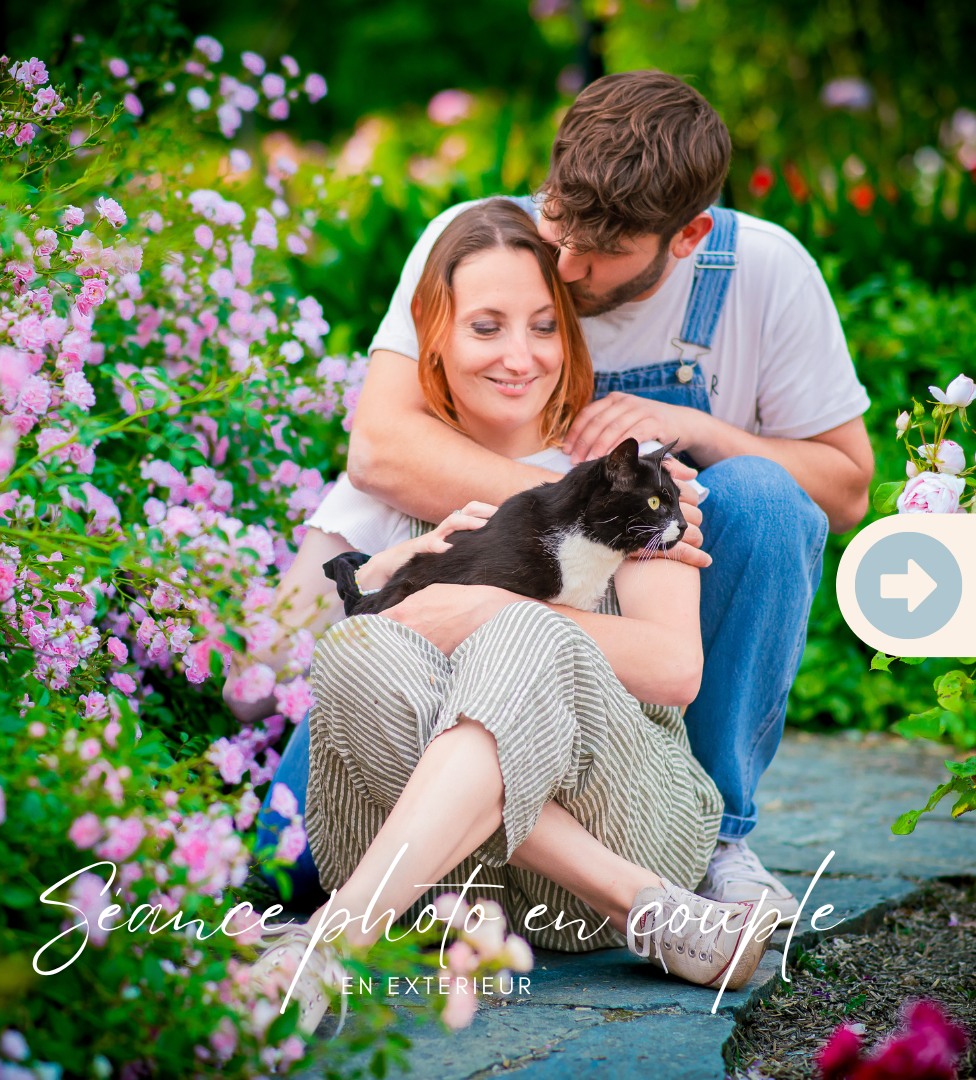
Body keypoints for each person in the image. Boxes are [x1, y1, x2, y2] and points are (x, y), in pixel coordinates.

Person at [342, 71, 875, 923]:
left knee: (763, 496)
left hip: (665, 612)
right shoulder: (482, 241)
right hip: (509, 584)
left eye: (603, 251)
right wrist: (577, 506)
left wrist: (693, 429)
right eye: (558, 219)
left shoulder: (766, 272)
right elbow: (379, 444)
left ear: (689, 234)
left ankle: (719, 838)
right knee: (293, 851)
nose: (564, 265)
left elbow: (846, 486)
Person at [249, 199, 775, 1034]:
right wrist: (380, 579)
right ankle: (646, 909)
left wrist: (492, 605)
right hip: (455, 885)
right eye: (486, 327)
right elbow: (266, 663)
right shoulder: (390, 480)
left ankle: (331, 945)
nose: (519, 356)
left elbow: (676, 671)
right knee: (359, 646)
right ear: (435, 340)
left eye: (542, 326)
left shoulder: (629, 479)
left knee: (520, 628)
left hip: (623, 806)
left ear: (570, 337)